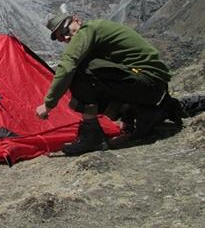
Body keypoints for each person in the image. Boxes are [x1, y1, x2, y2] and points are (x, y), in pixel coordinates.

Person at [35, 13, 183, 155]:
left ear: (76, 20)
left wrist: (48, 104)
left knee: (81, 69)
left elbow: (67, 66)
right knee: (92, 72)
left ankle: (92, 136)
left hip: (149, 83)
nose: (65, 37)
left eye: (65, 30)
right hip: (152, 85)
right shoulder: (96, 30)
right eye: (60, 38)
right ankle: (138, 113)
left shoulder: (88, 30)